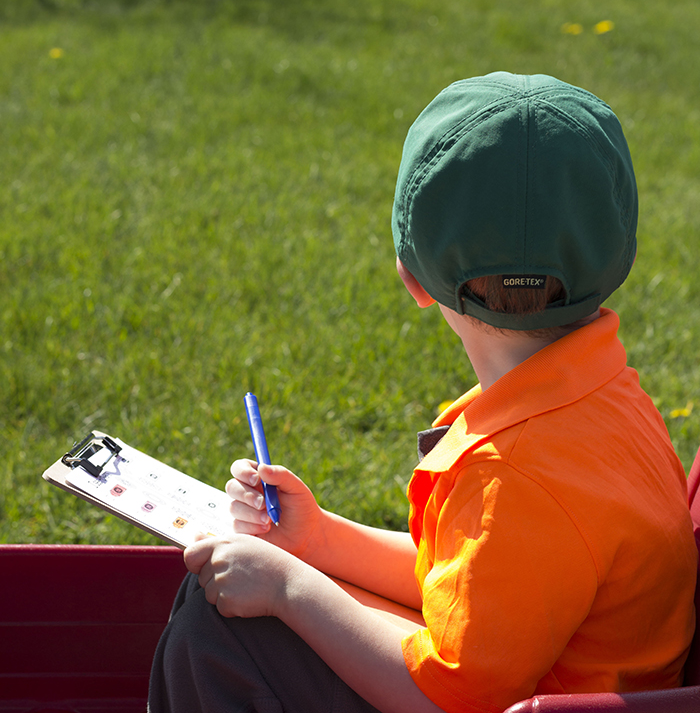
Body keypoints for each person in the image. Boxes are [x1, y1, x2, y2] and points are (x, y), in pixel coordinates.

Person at [148, 72, 697, 713]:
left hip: (488, 702)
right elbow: (477, 583)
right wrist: (320, 542)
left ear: (412, 277)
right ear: (614, 259)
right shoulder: (599, 397)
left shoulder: (514, 474)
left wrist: (289, 588)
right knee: (233, 588)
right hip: (542, 680)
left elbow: (444, 699)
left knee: (215, 631)